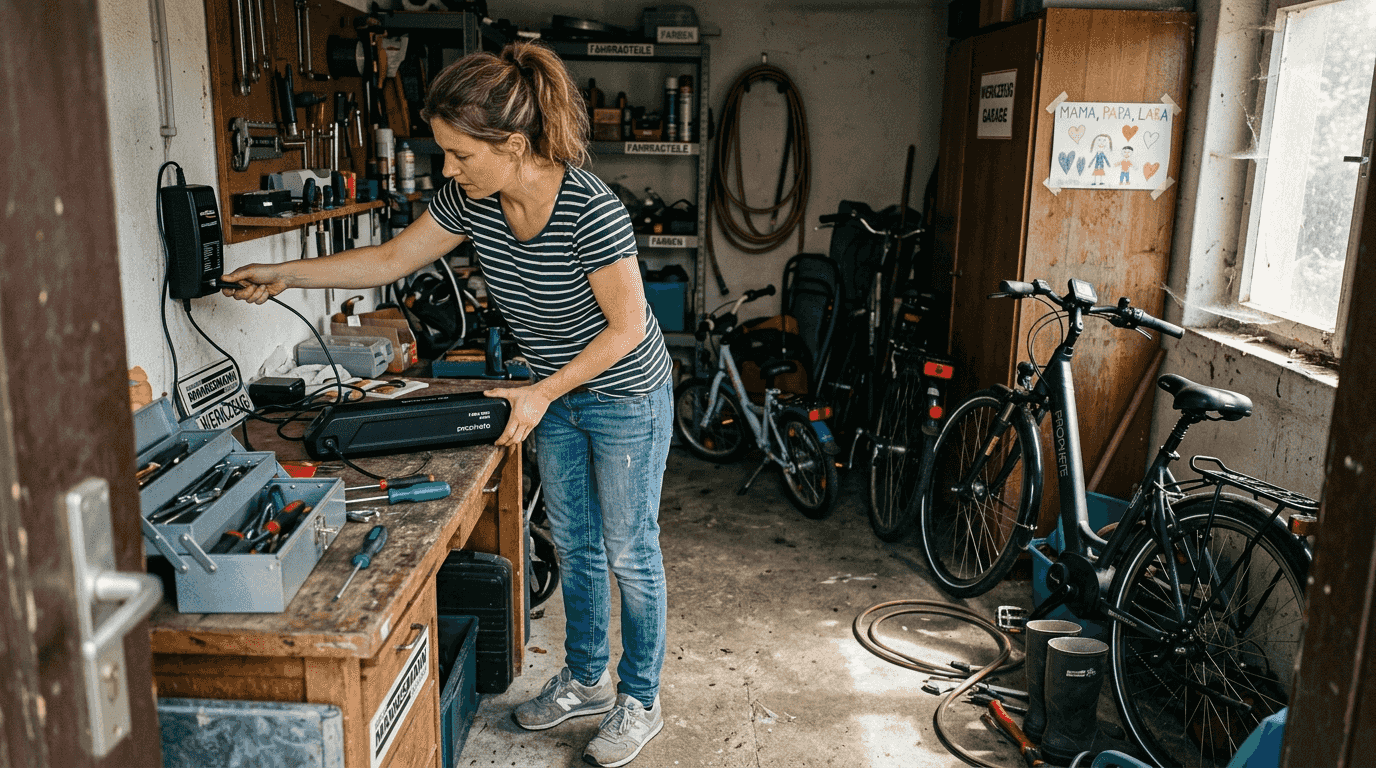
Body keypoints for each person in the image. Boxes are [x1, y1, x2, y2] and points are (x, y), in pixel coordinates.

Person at [221, 41, 673, 768]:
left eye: (460, 153)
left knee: (629, 549)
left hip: (623, 391)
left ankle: (640, 697)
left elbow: (625, 329)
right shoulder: (474, 200)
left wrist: (540, 392)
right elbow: (393, 258)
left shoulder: (591, 209)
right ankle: (588, 679)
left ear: (514, 145)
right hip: (549, 391)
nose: (449, 170)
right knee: (580, 546)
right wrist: (286, 272)